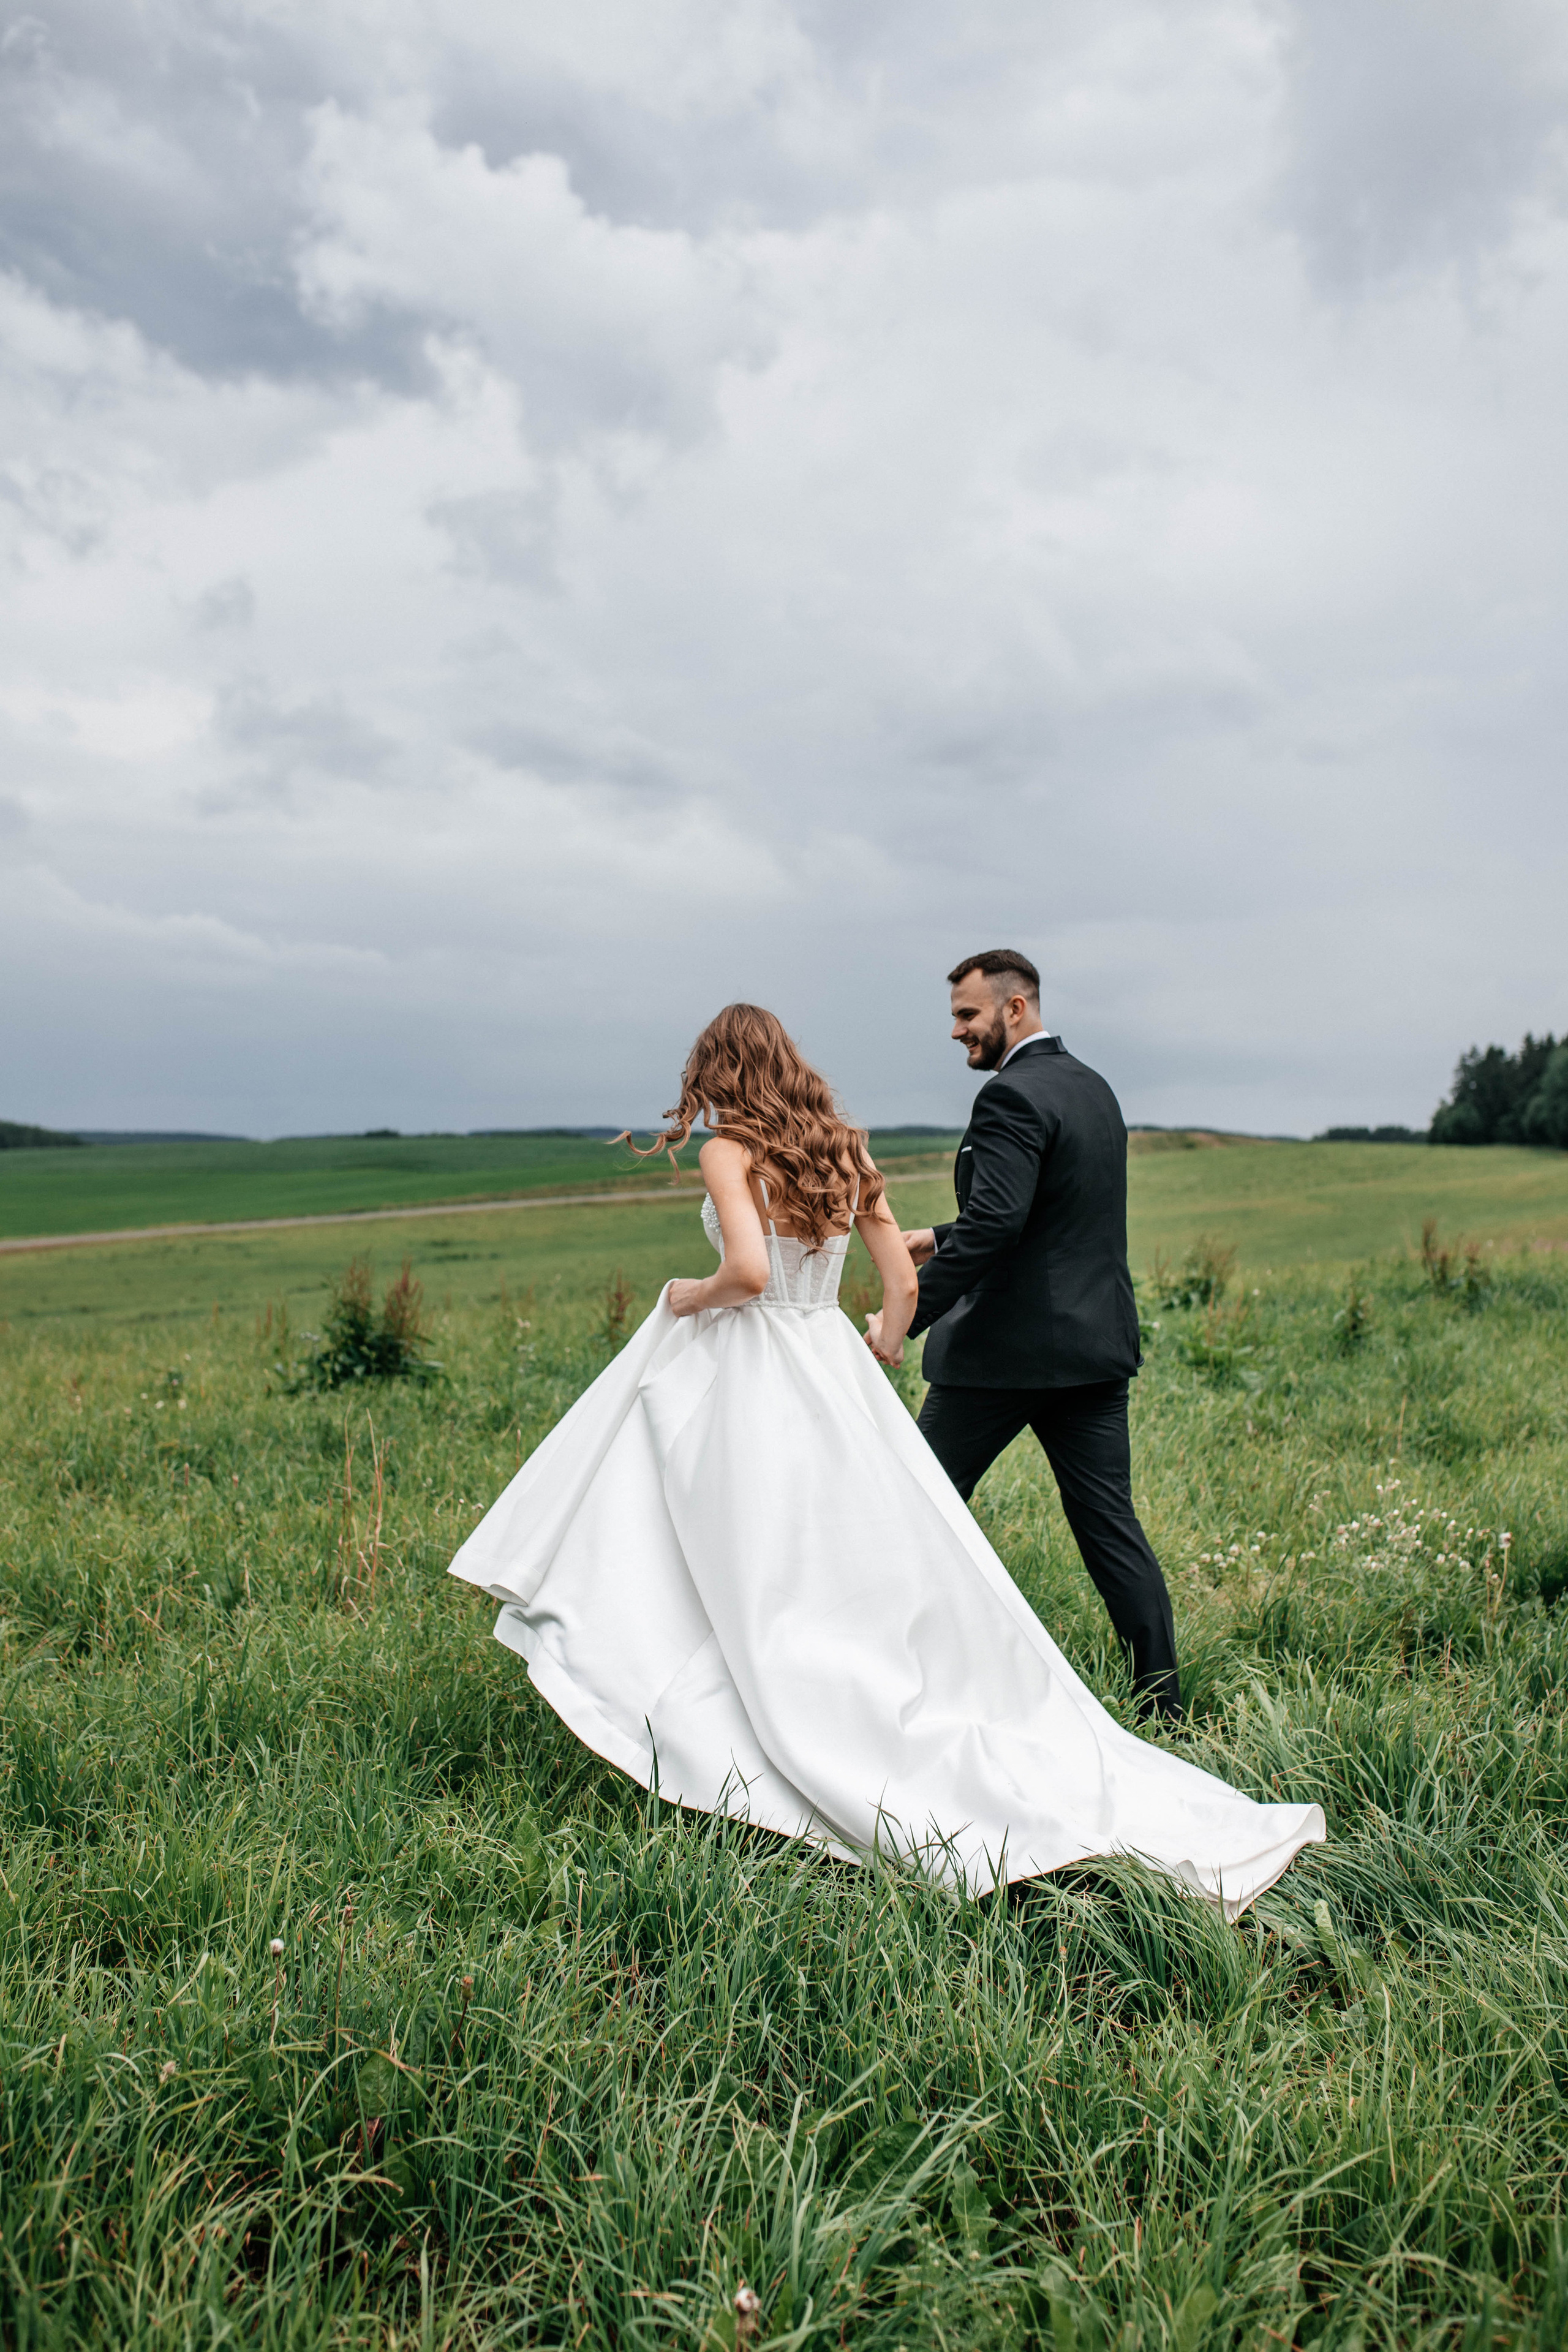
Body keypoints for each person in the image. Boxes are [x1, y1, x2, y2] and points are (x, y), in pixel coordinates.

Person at [450, 1002, 1322, 1913]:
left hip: (751, 1366)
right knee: (846, 1554)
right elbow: (902, 1281)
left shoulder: (729, 1148)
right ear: (788, 1065)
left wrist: (686, 1293)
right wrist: (887, 1343)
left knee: (717, 1543)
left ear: (716, 1070)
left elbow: (747, 1274)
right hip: (829, 1362)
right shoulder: (843, 1146)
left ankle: (715, 1693)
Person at [868, 950, 1180, 1718]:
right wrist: (943, 1235)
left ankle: (890, 1684)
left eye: (967, 1015)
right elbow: (1055, 1210)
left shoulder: (1009, 1098)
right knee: (1110, 1525)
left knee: (916, 1505)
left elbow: (1002, 1225)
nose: (956, 1031)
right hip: (1092, 1350)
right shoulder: (1093, 1089)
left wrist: (904, 1312)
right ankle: (1164, 1703)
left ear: (1015, 1009)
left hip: (1003, 1359)